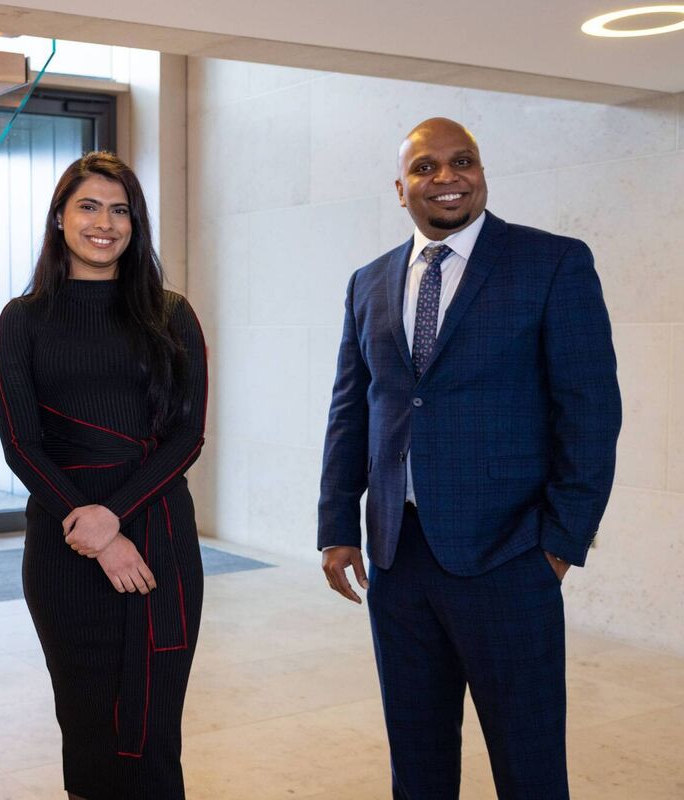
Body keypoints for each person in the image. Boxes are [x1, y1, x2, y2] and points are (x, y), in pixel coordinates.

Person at [317, 117, 621, 799]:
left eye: (463, 162)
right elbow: (351, 410)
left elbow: (590, 412)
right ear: (401, 188)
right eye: (425, 167)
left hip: (509, 554)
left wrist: (560, 543)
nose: (447, 177)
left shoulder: (552, 263)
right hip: (397, 557)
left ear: (481, 173)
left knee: (528, 764)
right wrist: (337, 525)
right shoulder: (369, 282)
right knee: (417, 760)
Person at [0, 152, 207, 799]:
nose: (104, 223)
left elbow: (187, 437)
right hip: (65, 549)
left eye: (120, 210)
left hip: (160, 539)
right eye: (88, 206)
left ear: (135, 225)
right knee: (86, 724)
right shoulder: (23, 319)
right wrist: (94, 530)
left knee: (153, 729)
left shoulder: (172, 314)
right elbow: (21, 443)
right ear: (60, 218)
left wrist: (113, 519)